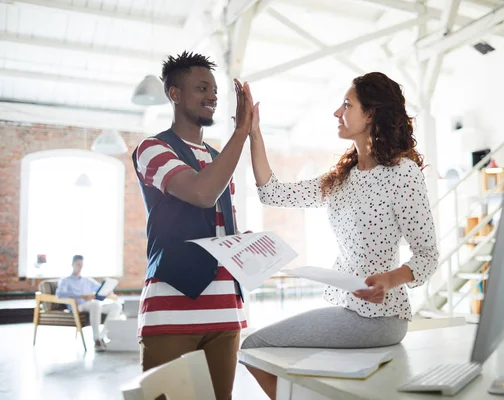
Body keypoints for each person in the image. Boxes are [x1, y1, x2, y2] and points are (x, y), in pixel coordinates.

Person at [242, 72, 440, 399]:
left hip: (380, 316)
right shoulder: (343, 179)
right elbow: (272, 193)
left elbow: (428, 256)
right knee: (261, 351)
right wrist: (254, 133)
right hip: (347, 307)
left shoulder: (403, 174)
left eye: (347, 104)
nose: (338, 112)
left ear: (371, 114)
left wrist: (389, 279)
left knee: (255, 344)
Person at [132, 51, 255, 400]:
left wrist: (239, 242)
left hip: (225, 310)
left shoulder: (219, 158)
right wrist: (242, 132)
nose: (213, 96)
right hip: (171, 308)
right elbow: (202, 193)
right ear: (174, 94)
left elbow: (214, 220)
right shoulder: (153, 149)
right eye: (202, 88)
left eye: (215, 89)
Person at [56, 255, 122, 352]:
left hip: (91, 305)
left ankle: (101, 336)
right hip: (77, 306)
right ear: (72, 264)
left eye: (81, 265)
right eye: (78, 264)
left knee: (116, 306)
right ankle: (96, 340)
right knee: (95, 304)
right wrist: (81, 295)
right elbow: (60, 294)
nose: (80, 267)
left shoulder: (87, 280)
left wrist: (108, 292)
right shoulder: (65, 280)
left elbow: (99, 289)